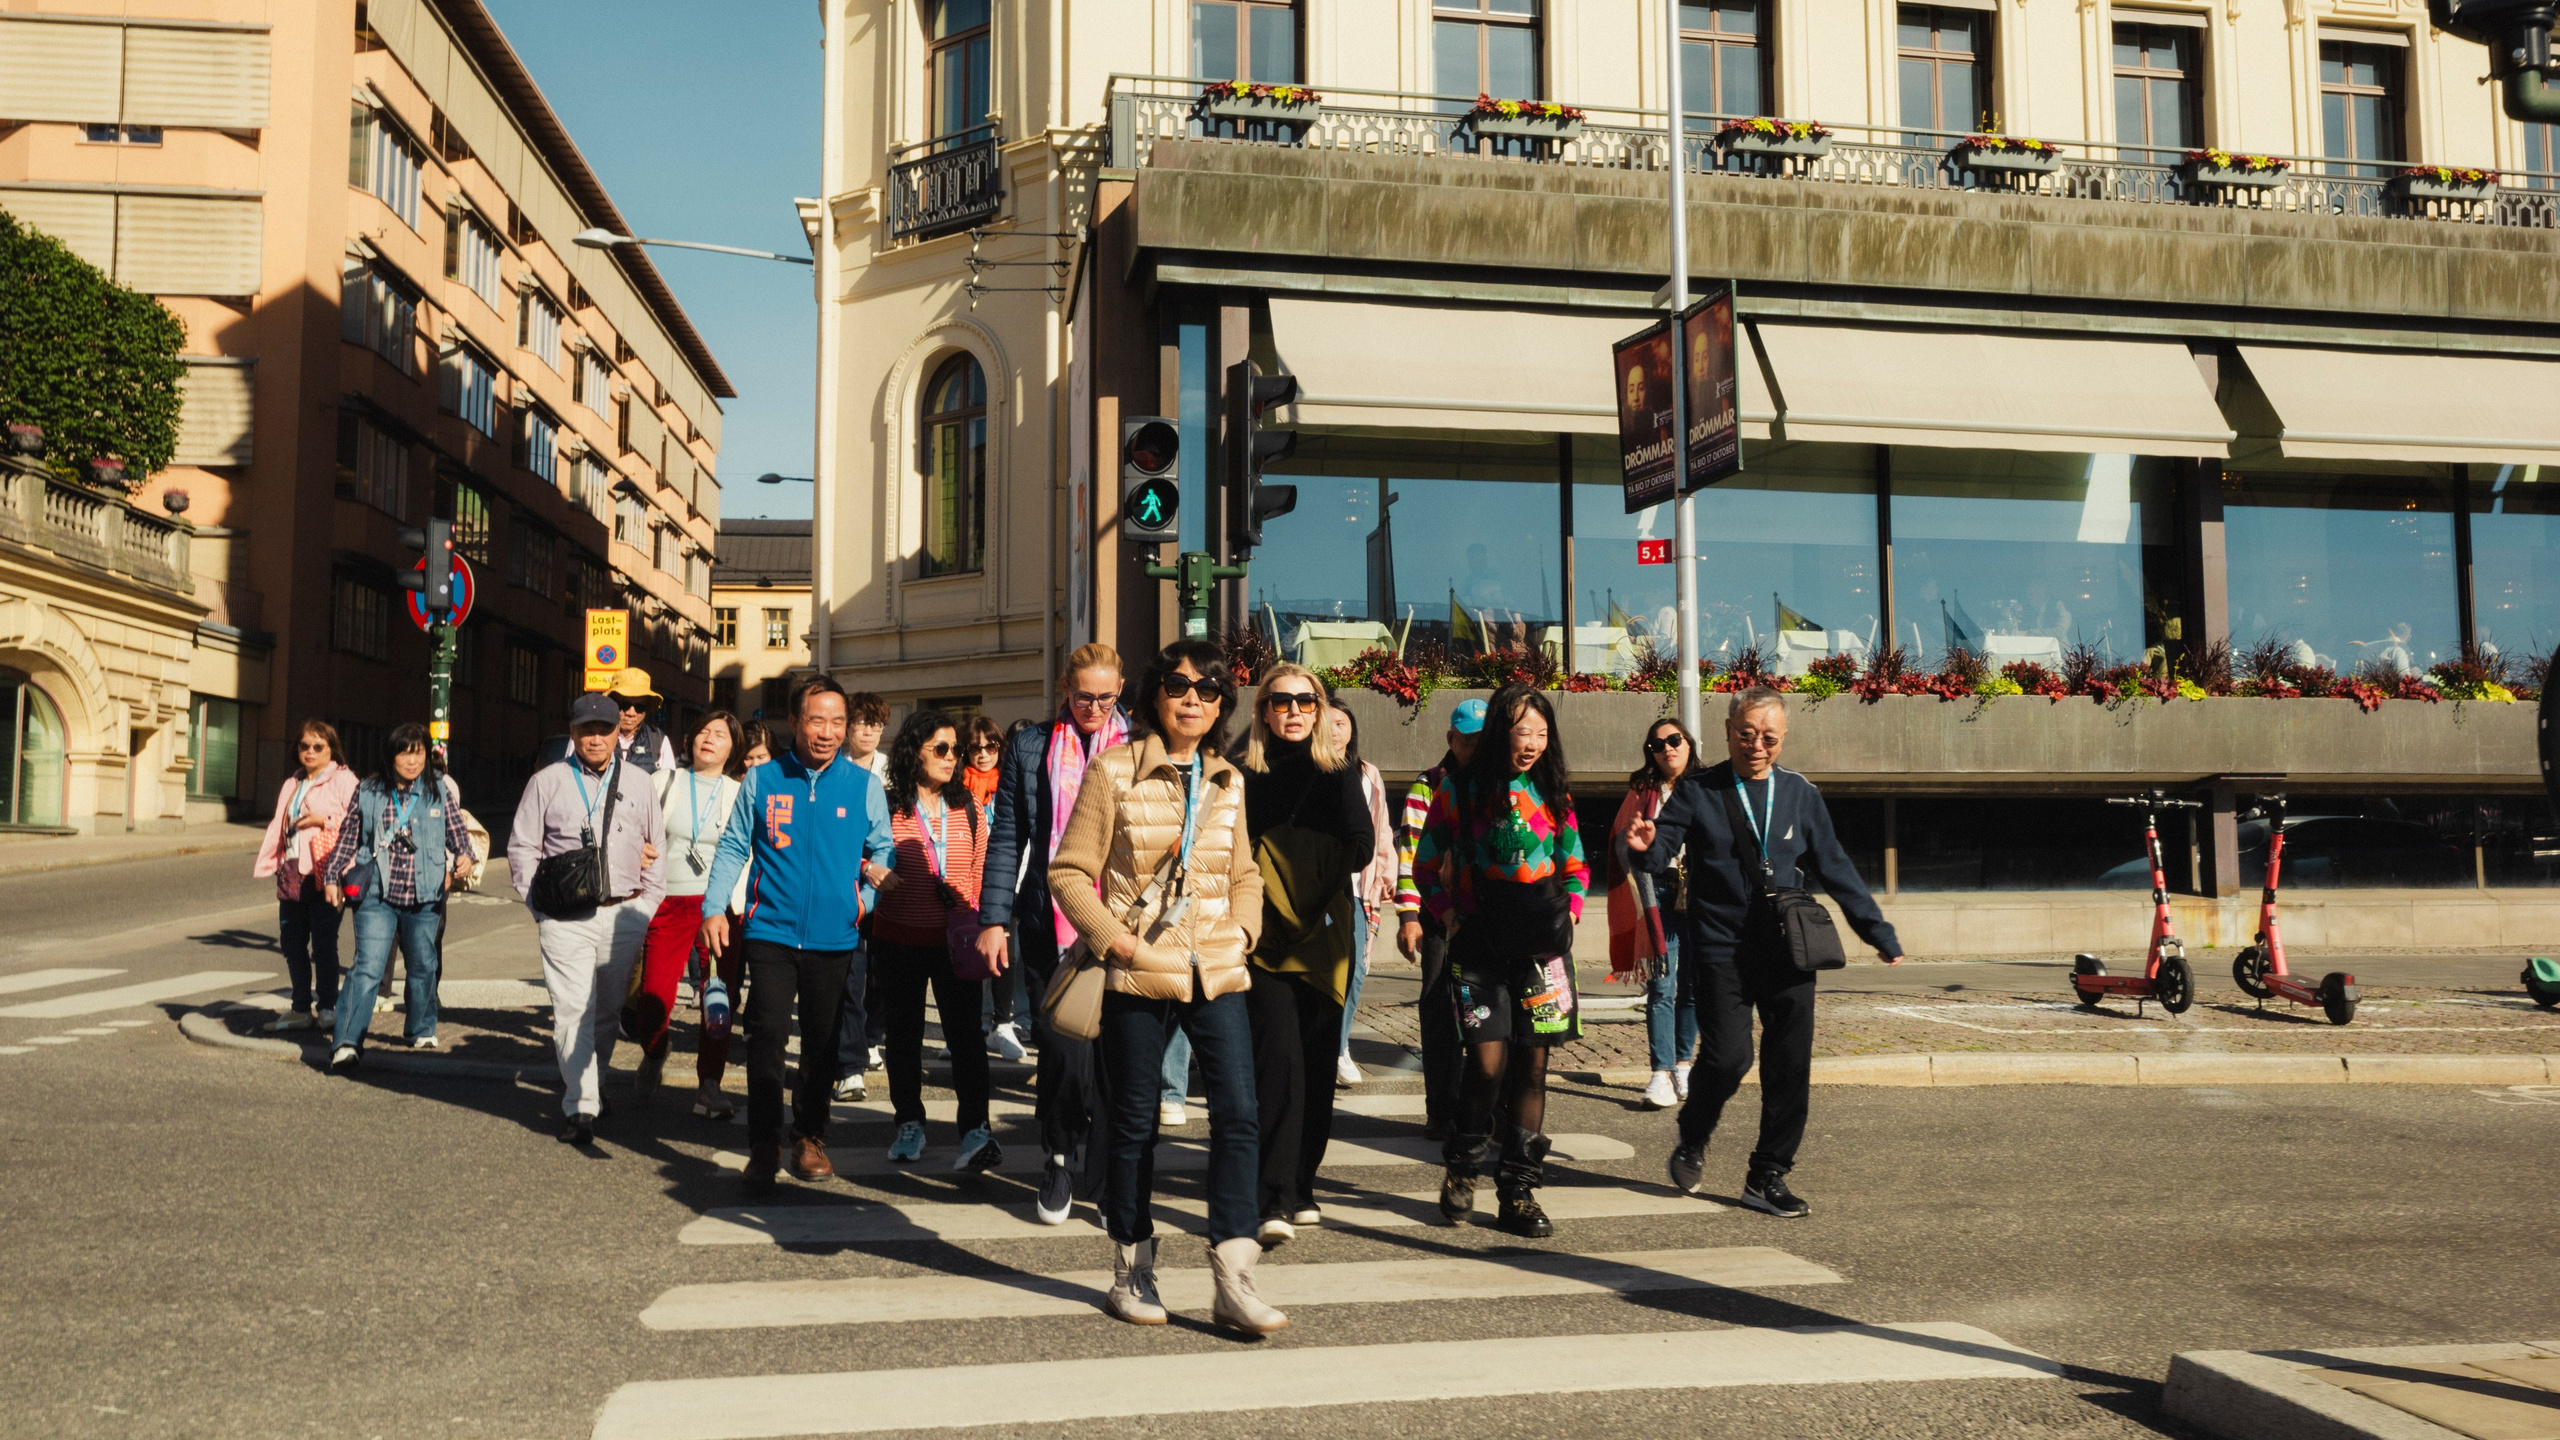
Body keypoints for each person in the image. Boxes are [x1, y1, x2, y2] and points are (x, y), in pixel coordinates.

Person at [1050, 639, 1284, 1335]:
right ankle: (1132, 1267)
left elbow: (1245, 875)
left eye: (1209, 689)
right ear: (1154, 694)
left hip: (1217, 969)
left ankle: (1233, 1278)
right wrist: (1115, 941)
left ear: (1222, 705)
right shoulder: (1112, 772)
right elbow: (1068, 872)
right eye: (1179, 685)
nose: (1193, 698)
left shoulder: (1229, 781)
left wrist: (1243, 933)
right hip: (1137, 972)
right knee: (1132, 1121)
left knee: (1239, 1115)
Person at [1626, 686, 1905, 1220]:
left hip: (1787, 949)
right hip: (1721, 949)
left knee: (1789, 1066)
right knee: (1729, 1057)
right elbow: (1660, 848)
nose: (1757, 745)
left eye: (1769, 737)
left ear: (1784, 738)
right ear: (1728, 732)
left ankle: (1767, 1174)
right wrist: (1643, 846)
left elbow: (1836, 868)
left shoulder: (1800, 794)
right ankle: (1694, 1133)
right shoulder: (1698, 789)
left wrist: (1878, 932)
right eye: (1746, 734)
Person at [702, 676, 894, 1192]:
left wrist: (864, 901)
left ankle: (810, 1136)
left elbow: (883, 851)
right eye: (817, 720)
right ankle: (765, 1145)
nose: (828, 732)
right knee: (764, 1037)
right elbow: (732, 847)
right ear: (794, 722)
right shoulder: (763, 781)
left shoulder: (863, 785)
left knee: (823, 1044)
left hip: (836, 936)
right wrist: (714, 907)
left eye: (838, 722)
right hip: (770, 930)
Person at [1414, 684, 1587, 1238]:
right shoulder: (1459, 790)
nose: (1531, 743)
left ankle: (1519, 1190)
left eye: (1541, 732)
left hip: (1542, 953)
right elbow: (1424, 867)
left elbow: (1577, 867)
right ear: (1498, 733)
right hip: (1479, 947)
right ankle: (1461, 1168)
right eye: (1521, 731)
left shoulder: (1555, 792)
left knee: (1533, 1069)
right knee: (1487, 1066)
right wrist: (1449, 917)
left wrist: (1573, 913)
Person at [978, 643, 1127, 1226]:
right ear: (1065, 689)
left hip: (1122, 924)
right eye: (1083, 695)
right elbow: (1010, 836)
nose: (1093, 707)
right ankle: (1059, 1155)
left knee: (1117, 1055)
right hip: (1051, 921)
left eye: (1106, 697)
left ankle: (1109, 1168)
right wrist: (994, 919)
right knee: (1064, 1052)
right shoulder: (1032, 744)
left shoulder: (1141, 746)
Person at [1239, 663, 1373, 1245]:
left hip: (1322, 935)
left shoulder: (1338, 770)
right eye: (1282, 701)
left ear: (1319, 711)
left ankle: (1303, 1185)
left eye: (1306, 702)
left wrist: (1312, 885)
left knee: (1318, 1066)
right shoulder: (1242, 773)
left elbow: (1362, 844)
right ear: (1263, 711)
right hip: (1262, 939)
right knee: (1279, 1063)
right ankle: (1270, 1195)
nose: (1294, 711)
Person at [507, 694, 667, 1144]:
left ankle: (591, 1085)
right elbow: (522, 847)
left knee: (606, 1011)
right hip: (564, 917)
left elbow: (658, 847)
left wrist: (646, 906)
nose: (595, 737)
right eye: (586, 730)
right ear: (573, 733)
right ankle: (580, 1105)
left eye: (604, 729)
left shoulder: (639, 782)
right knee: (572, 1009)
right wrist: (537, 906)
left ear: (619, 733)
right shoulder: (547, 781)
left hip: (623, 914)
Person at [872, 710, 1002, 1171]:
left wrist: (986, 921)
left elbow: (984, 870)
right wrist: (868, 869)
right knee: (904, 1036)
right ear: (914, 752)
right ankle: (909, 1121)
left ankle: (975, 1130)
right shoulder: (888, 806)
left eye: (957, 750)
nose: (953, 758)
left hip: (957, 941)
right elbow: (861, 856)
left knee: (966, 1037)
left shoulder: (966, 805)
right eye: (941, 749)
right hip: (899, 938)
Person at [324, 723, 477, 1073]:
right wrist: (332, 876)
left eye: (418, 752)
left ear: (427, 754)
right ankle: (347, 1042)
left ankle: (420, 1028)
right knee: (367, 967)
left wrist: (465, 855)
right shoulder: (369, 790)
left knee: (423, 965)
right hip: (377, 894)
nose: (411, 761)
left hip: (426, 896)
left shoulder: (439, 789)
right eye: (404, 753)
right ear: (391, 755)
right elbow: (348, 839)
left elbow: (458, 834)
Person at [632, 711, 750, 1116]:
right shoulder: (663, 782)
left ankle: (710, 1085)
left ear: (733, 747)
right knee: (654, 996)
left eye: (720, 734)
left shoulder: (741, 793)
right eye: (703, 731)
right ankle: (655, 1049)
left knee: (717, 1000)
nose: (709, 739)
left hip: (719, 909)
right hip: (668, 903)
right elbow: (632, 831)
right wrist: (639, 849)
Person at [1394, 697, 1487, 1140]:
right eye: (1468, 740)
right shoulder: (1428, 785)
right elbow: (1411, 854)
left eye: (1483, 739)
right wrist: (1409, 915)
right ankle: (1441, 1109)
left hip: (1487, 915)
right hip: (1439, 915)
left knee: (1485, 1013)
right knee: (1439, 1011)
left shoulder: (1503, 782)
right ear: (1452, 739)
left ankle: (1484, 1107)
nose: (1476, 747)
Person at [1611, 717, 1700, 1110]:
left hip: (1699, 895)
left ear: (1688, 742)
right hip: (1658, 892)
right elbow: (1620, 842)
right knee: (1662, 986)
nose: (1667, 749)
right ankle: (1661, 1073)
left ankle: (1684, 1063)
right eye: (1658, 745)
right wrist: (1639, 849)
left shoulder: (1707, 785)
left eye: (1674, 740)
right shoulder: (1642, 790)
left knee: (1693, 986)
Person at [253, 720, 357, 1033]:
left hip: (326, 872)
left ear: (331, 749)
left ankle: (327, 1006)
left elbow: (359, 821)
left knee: (324, 944)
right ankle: (300, 1007)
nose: (309, 752)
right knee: (292, 942)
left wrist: (323, 820)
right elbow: (278, 825)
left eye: (317, 747)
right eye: (304, 746)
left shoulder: (343, 779)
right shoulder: (293, 782)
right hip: (292, 870)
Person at [831, 688, 896, 1100]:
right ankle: (850, 1064)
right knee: (850, 976)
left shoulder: (893, 772)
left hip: (888, 884)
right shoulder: (834, 770)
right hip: (845, 883)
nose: (869, 731)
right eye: (861, 723)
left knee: (884, 975)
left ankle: (873, 1036)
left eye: (876, 724)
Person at [1330, 701, 1396, 1088]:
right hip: (1317, 889)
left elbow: (1381, 827)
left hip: (1358, 889)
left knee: (1355, 972)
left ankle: (1339, 1048)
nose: (1336, 730)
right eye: (1329, 723)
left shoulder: (1367, 774)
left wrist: (1386, 874)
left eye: (1343, 722)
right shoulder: (1311, 769)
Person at [960, 714, 1028, 1063]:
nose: (983, 753)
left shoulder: (1009, 783)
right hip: (965, 880)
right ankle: (968, 1026)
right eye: (975, 747)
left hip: (1004, 881)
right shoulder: (958, 785)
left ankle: (1003, 1023)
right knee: (967, 954)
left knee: (1006, 953)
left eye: (990, 746)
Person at [531, 668, 676, 773]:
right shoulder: (587, 735)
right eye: (624, 705)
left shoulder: (658, 740)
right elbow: (570, 775)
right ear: (612, 703)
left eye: (639, 707)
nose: (631, 713)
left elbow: (668, 791)